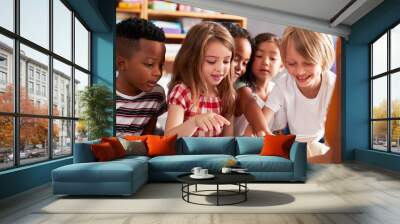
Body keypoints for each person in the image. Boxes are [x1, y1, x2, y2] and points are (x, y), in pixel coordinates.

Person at [262, 27, 336, 144]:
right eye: (292, 63)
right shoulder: (283, 83)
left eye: (308, 63)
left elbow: (337, 133)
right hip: (292, 137)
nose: (300, 71)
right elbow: (262, 120)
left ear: (323, 60)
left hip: (322, 139)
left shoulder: (333, 86)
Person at [164, 22, 236, 137]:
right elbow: (168, 139)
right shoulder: (182, 92)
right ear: (192, 60)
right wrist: (194, 122)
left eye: (226, 61)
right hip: (185, 155)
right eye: (211, 61)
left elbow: (229, 140)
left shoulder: (226, 95)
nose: (220, 68)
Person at [115, 18, 167, 136]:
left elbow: (147, 138)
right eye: (149, 64)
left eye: (161, 65)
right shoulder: (104, 95)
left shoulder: (157, 94)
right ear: (121, 64)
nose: (158, 72)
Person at [235, 33, 287, 136]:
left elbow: (278, 130)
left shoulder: (276, 90)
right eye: (258, 56)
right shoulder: (241, 87)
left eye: (272, 58)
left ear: (282, 65)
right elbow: (248, 102)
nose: (265, 62)